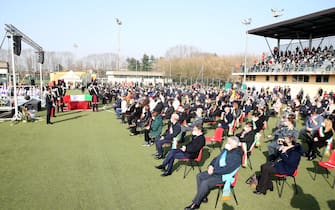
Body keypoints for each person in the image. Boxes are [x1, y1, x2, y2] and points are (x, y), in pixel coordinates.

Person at [184, 136, 242, 210]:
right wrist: (211, 165)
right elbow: (216, 158)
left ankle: (195, 204)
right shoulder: (228, 150)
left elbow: (227, 170)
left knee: (205, 182)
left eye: (229, 143)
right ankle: (203, 196)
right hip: (216, 171)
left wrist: (213, 171)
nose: (226, 144)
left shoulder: (236, 156)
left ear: (234, 145)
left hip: (223, 176)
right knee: (199, 176)